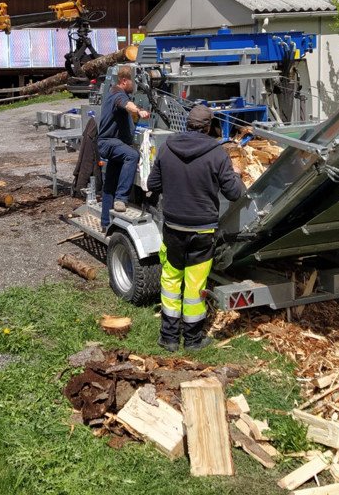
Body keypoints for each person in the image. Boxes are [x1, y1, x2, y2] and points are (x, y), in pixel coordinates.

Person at [146, 104, 243, 351]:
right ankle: (192, 340)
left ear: (187, 124)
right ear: (209, 127)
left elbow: (152, 183)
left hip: (173, 227)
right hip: (202, 230)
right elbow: (233, 193)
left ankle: (168, 338)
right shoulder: (217, 153)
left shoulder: (168, 147)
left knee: (170, 280)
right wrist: (237, 176)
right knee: (195, 286)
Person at [97, 65, 150, 227]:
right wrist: (139, 111)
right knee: (132, 155)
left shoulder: (115, 93)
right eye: (133, 82)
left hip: (115, 143)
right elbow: (126, 105)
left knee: (110, 184)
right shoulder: (117, 94)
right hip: (109, 142)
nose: (134, 85)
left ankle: (105, 222)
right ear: (124, 80)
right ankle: (121, 198)